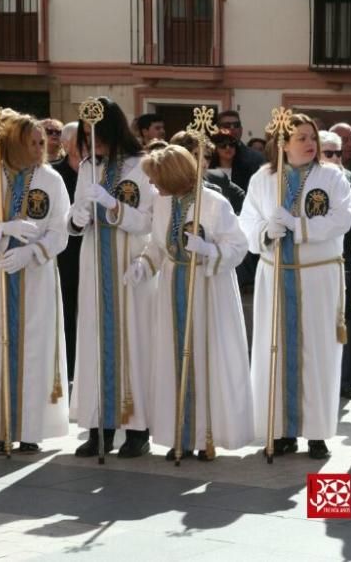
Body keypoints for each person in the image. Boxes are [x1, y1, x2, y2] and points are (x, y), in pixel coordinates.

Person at [241, 113, 351, 460]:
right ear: (283, 143)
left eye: (312, 138)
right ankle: (280, 430)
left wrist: (298, 226)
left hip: (317, 276)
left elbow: (342, 219)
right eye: (301, 138)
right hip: (276, 275)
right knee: (272, 349)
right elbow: (248, 220)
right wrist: (265, 232)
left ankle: (317, 433)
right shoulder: (263, 178)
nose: (309, 144)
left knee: (317, 351)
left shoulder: (332, 176)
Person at [132, 145, 253, 461]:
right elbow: (158, 246)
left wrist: (210, 250)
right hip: (173, 288)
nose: (153, 186)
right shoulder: (162, 204)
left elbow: (239, 245)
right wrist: (143, 265)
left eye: (157, 179)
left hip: (208, 290)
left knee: (205, 358)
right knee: (173, 358)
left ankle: (204, 436)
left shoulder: (214, 203)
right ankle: (178, 435)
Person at [0, 110, 69, 453]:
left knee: (34, 350)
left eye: (43, 141)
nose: (42, 148)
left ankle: (30, 430)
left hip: (35, 276)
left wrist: (34, 251)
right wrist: (2, 231)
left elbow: (60, 230)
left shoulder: (51, 180)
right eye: (34, 142)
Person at [69, 97, 156, 459]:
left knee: (133, 342)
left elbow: (149, 220)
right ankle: (98, 427)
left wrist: (112, 205)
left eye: (98, 136)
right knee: (93, 342)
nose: (93, 144)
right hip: (94, 264)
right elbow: (74, 220)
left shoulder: (142, 166)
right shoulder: (89, 167)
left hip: (128, 264)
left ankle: (137, 429)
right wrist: (78, 217)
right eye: (89, 138)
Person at [320, 130, 351, 401]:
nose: (336, 158)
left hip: (345, 262)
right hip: (315, 264)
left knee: (347, 324)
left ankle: (345, 381)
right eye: (329, 153)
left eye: (338, 153)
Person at [54, 122, 82, 380]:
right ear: (66, 144)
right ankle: (69, 363)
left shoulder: (96, 170)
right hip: (64, 250)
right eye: (77, 140)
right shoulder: (54, 173)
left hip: (90, 245)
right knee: (66, 305)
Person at [215, 110, 265, 193]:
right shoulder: (208, 156)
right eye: (227, 125)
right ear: (217, 129)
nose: (232, 128)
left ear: (241, 130)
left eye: (236, 125)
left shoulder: (256, 159)